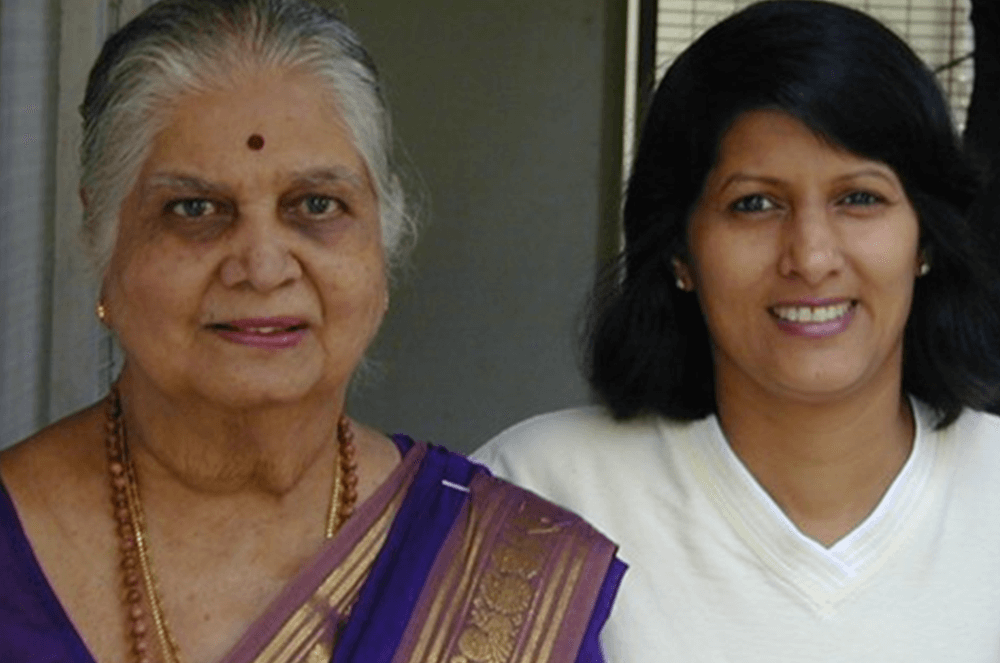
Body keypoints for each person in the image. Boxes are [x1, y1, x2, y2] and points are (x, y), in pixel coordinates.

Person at [0, 2, 624, 662]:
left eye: (317, 205)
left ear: (383, 239)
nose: (263, 266)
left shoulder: (508, 573)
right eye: (195, 208)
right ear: (104, 237)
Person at [474, 1, 1000, 661]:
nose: (810, 257)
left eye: (859, 197)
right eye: (754, 204)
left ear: (926, 238)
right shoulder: (537, 492)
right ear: (680, 251)